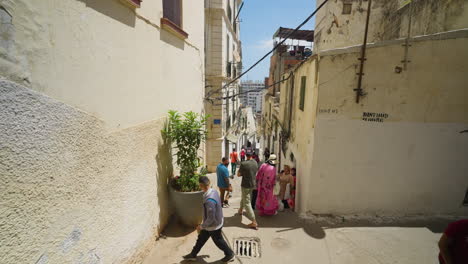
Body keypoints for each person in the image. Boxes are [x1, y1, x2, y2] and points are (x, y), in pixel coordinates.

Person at [183, 176, 235, 263]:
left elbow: (211, 218)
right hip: (213, 223)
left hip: (213, 225)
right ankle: (193, 254)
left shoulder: (209, 201)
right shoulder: (214, 191)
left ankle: (229, 254)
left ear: (201, 185)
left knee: (218, 241)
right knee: (201, 238)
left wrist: (201, 226)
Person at [237, 152, 259, 229]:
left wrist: (244, 173)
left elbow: (238, 174)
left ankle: (254, 221)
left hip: (245, 184)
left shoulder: (244, 164)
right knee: (245, 196)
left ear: (246, 156)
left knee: (247, 202)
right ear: (252, 156)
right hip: (252, 184)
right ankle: (240, 210)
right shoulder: (255, 162)